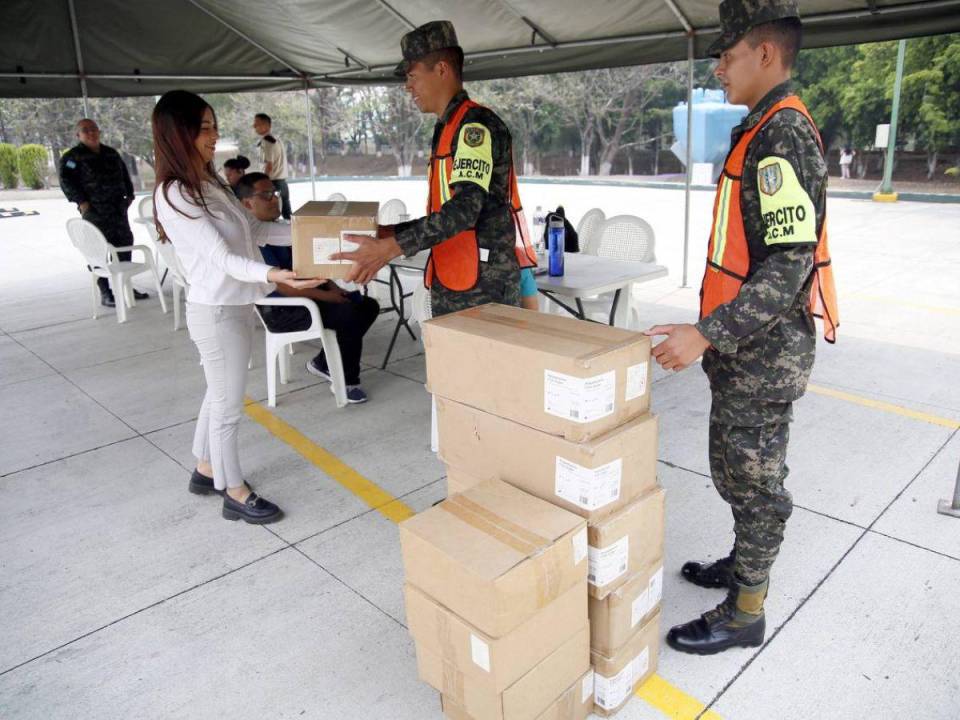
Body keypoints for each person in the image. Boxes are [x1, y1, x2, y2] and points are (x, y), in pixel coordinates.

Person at [644, 0, 838, 656]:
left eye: (728, 54)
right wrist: (708, 328)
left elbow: (789, 267)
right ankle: (742, 564)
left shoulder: (784, 133)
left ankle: (745, 612)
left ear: (766, 54)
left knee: (756, 487)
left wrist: (706, 333)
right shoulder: (759, 127)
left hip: (764, 355)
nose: (718, 66)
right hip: (742, 347)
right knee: (733, 474)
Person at [152, 90, 323, 524]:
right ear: (179, 133)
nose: (214, 135)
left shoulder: (208, 184)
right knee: (229, 405)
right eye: (204, 127)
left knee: (218, 392)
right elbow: (223, 259)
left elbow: (258, 231)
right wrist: (276, 276)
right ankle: (234, 491)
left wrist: (315, 231)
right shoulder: (176, 195)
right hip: (216, 312)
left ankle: (205, 467)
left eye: (213, 125)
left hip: (234, 306)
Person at [332, 20, 537, 317]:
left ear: (441, 69)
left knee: (480, 364)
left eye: (412, 75)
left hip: (482, 287)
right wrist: (384, 232)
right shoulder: (447, 128)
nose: (408, 86)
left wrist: (392, 247)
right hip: (458, 277)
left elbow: (465, 209)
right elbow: (444, 214)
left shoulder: (473, 127)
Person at [235, 172, 379, 404]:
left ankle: (324, 363)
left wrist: (334, 288)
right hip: (282, 308)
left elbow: (311, 266)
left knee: (367, 306)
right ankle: (347, 380)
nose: (275, 198)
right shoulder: (252, 240)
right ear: (247, 203)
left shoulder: (284, 229)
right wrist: (330, 297)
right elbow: (286, 287)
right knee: (348, 315)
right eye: (266, 195)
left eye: (276, 193)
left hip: (310, 296)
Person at [59, 118, 147, 307]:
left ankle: (126, 286)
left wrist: (129, 196)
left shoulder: (110, 153)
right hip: (95, 212)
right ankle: (106, 292)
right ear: (78, 135)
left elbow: (124, 174)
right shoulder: (73, 158)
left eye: (93, 129)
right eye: (85, 130)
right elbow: (66, 180)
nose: (91, 133)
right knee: (97, 251)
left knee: (124, 245)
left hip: (117, 210)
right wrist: (81, 201)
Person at [253, 113, 291, 220]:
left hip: (273, 183)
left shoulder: (267, 142)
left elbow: (269, 165)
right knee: (286, 213)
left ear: (266, 125)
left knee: (271, 214)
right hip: (281, 183)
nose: (254, 127)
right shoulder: (276, 140)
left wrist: (263, 184)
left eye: (257, 124)